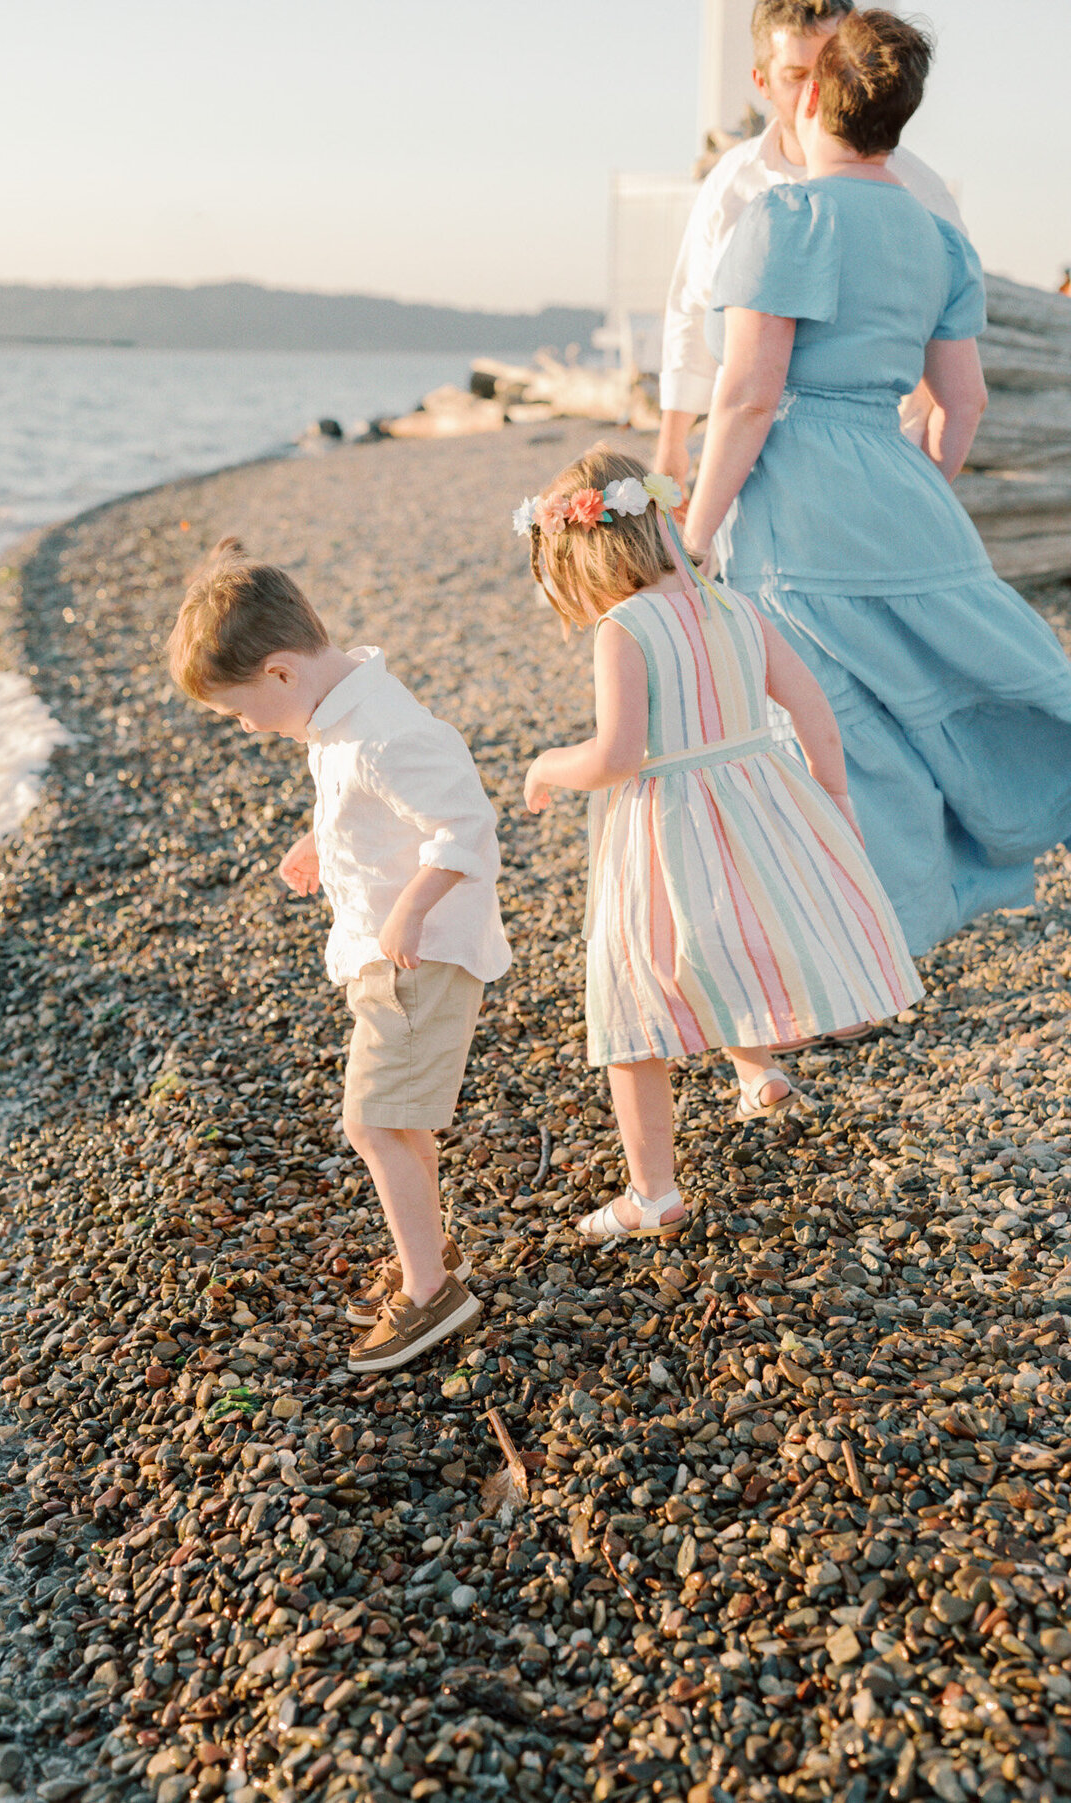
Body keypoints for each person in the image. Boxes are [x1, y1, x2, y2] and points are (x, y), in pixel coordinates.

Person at [680, 10, 1071, 956]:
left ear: (810, 95)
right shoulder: (939, 238)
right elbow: (961, 399)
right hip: (899, 489)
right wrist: (916, 484)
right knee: (921, 702)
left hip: (796, 507)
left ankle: (861, 944)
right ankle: (894, 923)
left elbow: (746, 398)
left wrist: (692, 534)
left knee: (831, 726)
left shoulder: (787, 215)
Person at [516, 447, 921, 1242]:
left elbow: (617, 756)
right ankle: (759, 1072)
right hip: (760, 799)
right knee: (736, 933)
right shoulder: (733, 605)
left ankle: (653, 1191)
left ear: (584, 554)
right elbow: (814, 711)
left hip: (667, 820)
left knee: (638, 990)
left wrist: (547, 765)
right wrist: (832, 802)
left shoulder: (623, 629)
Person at [167, 539, 510, 1371]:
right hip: (386, 953)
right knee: (400, 1118)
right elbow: (366, 802)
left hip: (419, 954)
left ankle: (430, 1293)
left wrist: (412, 907)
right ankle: (429, 1249)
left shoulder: (382, 734)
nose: (248, 728)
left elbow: (467, 826)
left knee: (374, 1120)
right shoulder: (342, 714)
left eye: (242, 711)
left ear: (281, 673)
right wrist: (320, 839)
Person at [654, 0, 963, 490]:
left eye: (829, 66)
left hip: (877, 472)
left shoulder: (921, 194)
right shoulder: (730, 184)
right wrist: (671, 445)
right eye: (796, 74)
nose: (815, 92)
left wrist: (916, 482)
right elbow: (690, 309)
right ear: (762, 84)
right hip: (741, 471)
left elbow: (951, 365)